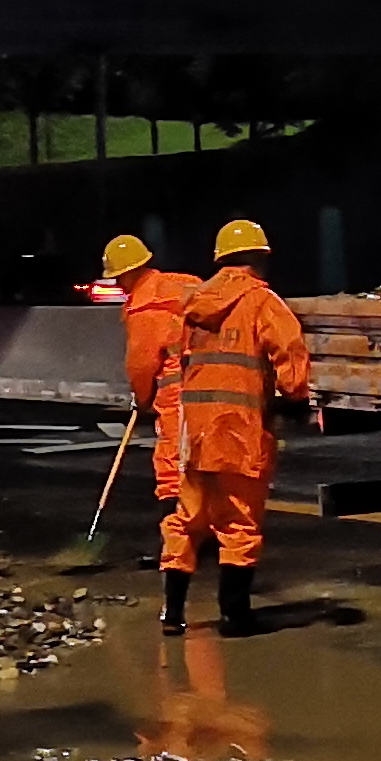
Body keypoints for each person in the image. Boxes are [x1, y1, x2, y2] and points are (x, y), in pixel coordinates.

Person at [164, 218, 310, 633]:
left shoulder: (195, 303)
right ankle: (234, 614)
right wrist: (295, 396)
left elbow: (180, 359)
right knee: (239, 522)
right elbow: (290, 350)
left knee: (186, 518)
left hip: (196, 430)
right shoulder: (262, 302)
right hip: (240, 430)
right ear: (258, 258)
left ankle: (173, 613)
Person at [107, 231, 201, 543]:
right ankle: (210, 533)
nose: (119, 285)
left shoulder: (145, 306)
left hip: (179, 396)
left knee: (172, 467)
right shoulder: (186, 283)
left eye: (119, 278)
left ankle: (176, 543)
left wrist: (143, 397)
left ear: (130, 272)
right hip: (213, 386)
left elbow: (142, 364)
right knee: (209, 464)